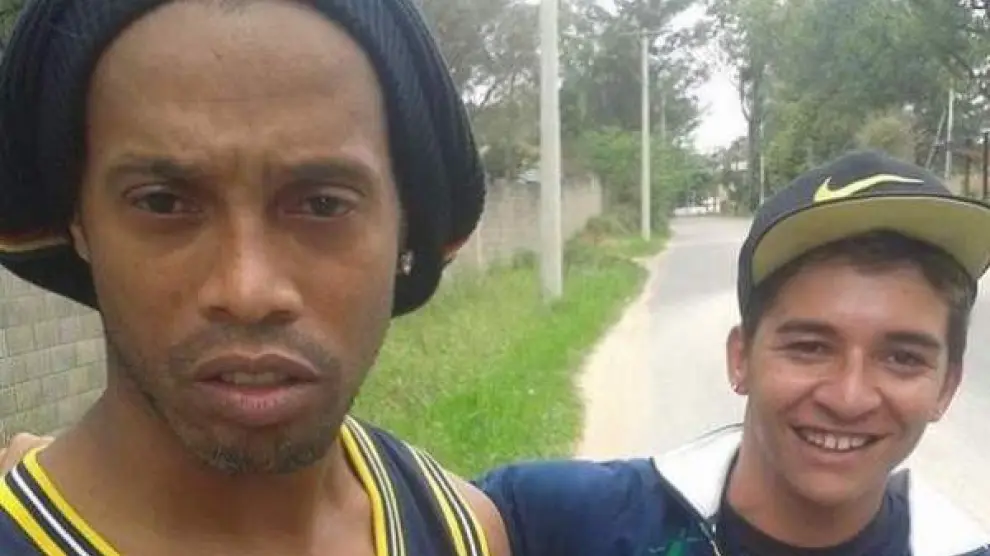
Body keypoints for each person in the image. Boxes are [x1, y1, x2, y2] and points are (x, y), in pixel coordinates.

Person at [0, 0, 510, 555]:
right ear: (78, 221)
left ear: (405, 224)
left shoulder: (460, 532)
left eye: (322, 204)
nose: (248, 292)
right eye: (163, 202)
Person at [475, 150, 990, 555]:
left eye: (902, 358)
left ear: (946, 386)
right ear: (740, 358)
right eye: (810, 347)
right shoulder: (551, 521)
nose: (849, 397)